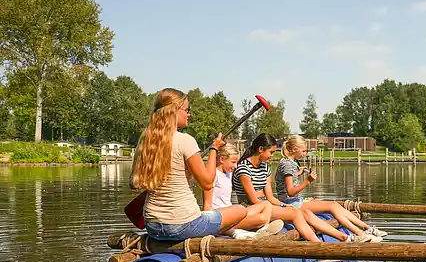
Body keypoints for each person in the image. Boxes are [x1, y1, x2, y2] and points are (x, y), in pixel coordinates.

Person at [130, 88, 256, 241]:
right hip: (182, 225)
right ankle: (232, 232)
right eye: (187, 110)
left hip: (153, 226)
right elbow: (208, 183)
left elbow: (134, 183)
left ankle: (230, 232)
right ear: (174, 111)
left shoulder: (146, 140)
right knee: (240, 210)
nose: (189, 114)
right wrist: (214, 149)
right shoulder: (185, 140)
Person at [233, 134, 377, 243]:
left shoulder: (265, 167)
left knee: (305, 213)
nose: (272, 156)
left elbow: (270, 197)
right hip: (253, 208)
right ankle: (319, 247)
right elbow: (253, 199)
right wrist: (287, 207)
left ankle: (344, 237)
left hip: (268, 205)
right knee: (296, 214)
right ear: (260, 150)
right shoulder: (244, 169)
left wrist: (284, 206)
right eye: (270, 153)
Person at [275, 135, 387, 240]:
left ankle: (366, 229)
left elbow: (286, 182)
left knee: (333, 204)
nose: (305, 154)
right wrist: (308, 181)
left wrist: (298, 173)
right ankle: (361, 233)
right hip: (291, 203)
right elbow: (290, 191)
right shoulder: (288, 165)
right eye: (303, 151)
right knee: (332, 206)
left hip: (294, 201)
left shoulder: (288, 162)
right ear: (295, 149)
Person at [201, 144, 284, 239]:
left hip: (232, 214)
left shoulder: (228, 173)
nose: (235, 166)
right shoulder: (213, 176)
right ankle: (252, 230)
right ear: (222, 159)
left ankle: (262, 229)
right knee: (261, 218)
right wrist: (207, 228)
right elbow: (207, 204)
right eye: (233, 162)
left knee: (266, 204)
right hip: (221, 218)